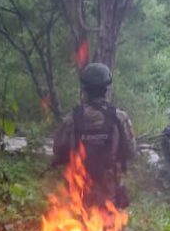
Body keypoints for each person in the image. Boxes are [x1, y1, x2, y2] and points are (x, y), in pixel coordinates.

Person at [51, 62, 137, 210]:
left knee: (76, 226)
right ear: (106, 89)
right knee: (110, 227)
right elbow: (131, 151)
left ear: (84, 90)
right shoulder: (119, 118)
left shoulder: (72, 118)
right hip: (109, 187)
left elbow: (58, 150)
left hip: (79, 186)